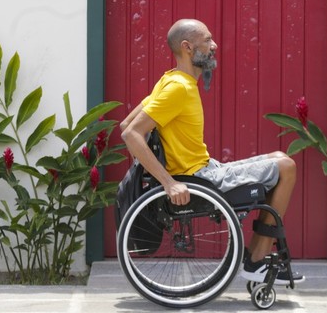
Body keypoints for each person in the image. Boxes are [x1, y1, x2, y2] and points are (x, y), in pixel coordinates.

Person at [119, 18, 303, 284]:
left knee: (278, 159)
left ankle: (256, 256)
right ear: (187, 47)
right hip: (200, 178)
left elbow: (127, 123)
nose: (214, 45)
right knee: (287, 166)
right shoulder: (178, 88)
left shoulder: (170, 81)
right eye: (207, 40)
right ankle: (256, 260)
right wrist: (169, 183)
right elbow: (130, 133)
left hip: (206, 169)